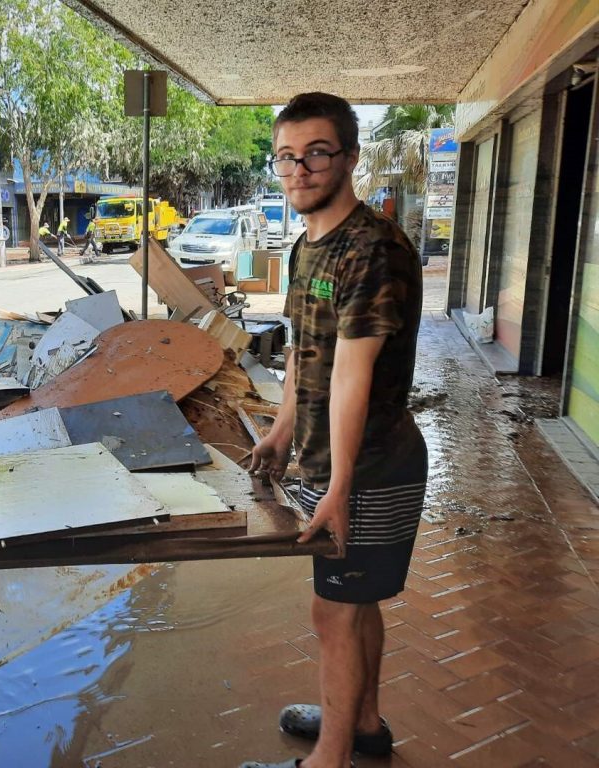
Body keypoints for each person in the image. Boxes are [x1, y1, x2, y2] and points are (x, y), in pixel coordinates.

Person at [243, 93, 425, 768]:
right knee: (355, 603)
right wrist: (282, 431)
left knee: (335, 614)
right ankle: (364, 723)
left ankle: (331, 757)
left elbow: (352, 374)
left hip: (371, 466)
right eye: (287, 156)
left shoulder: (372, 249)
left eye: (316, 153)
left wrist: (340, 484)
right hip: (332, 462)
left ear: (349, 156)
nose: (299, 169)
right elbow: (304, 353)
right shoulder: (307, 246)